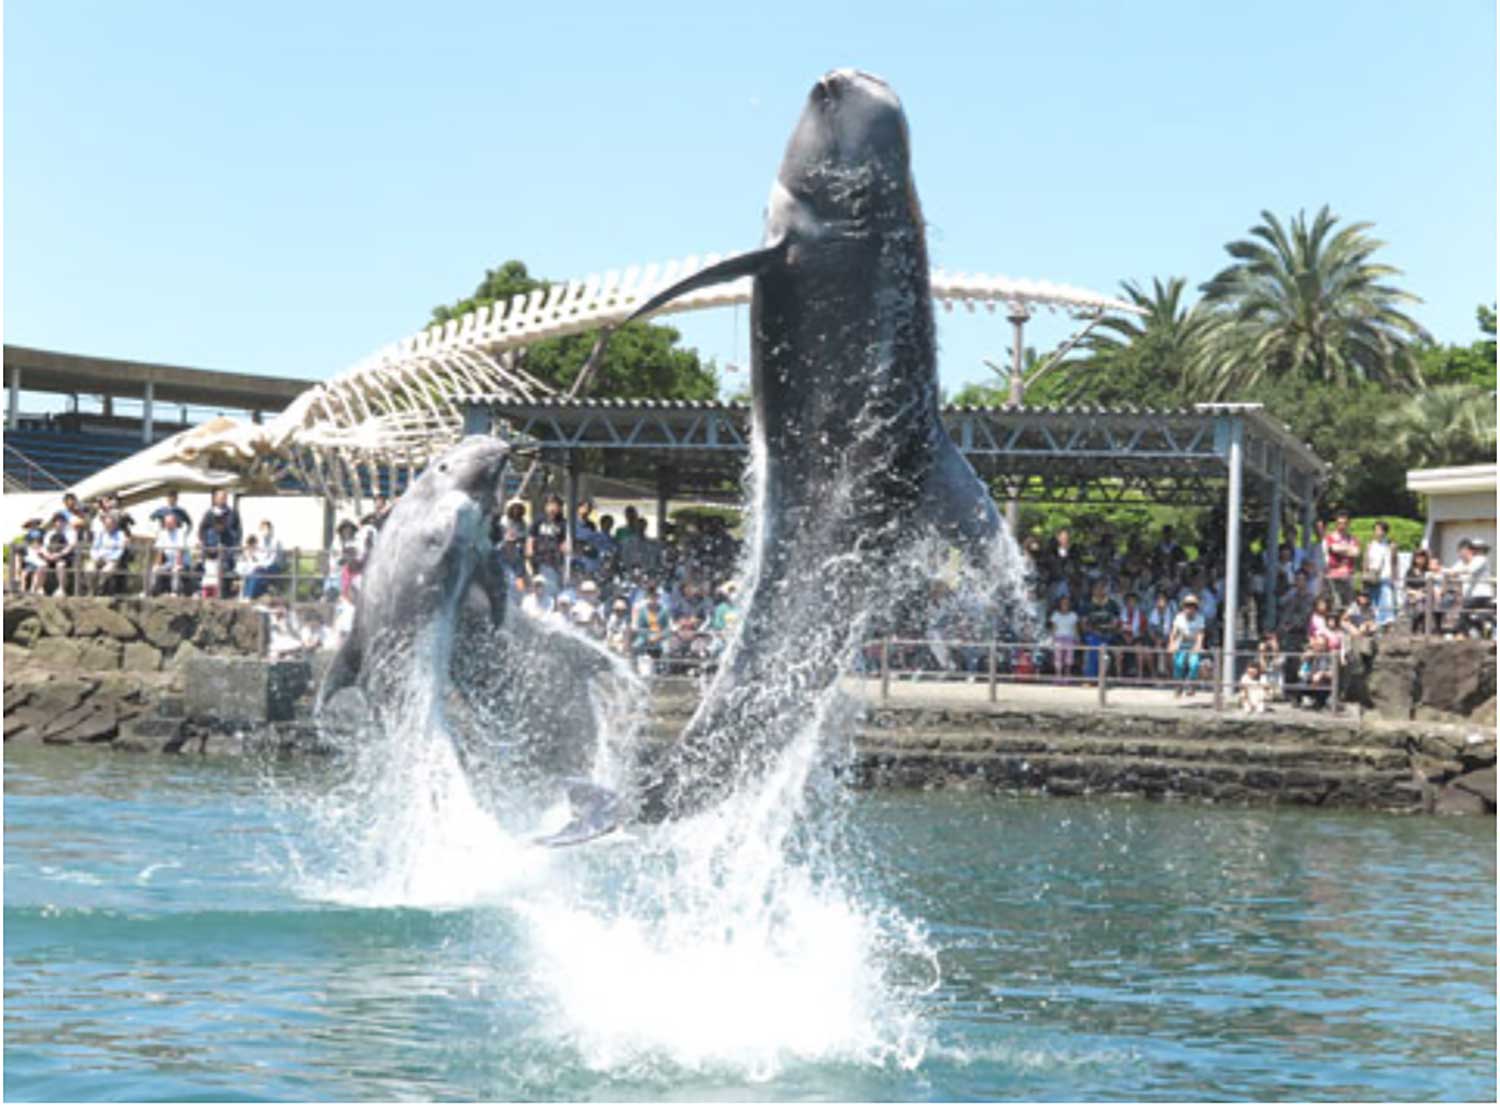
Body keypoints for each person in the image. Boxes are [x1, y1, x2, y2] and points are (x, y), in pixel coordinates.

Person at [1452, 538, 1495, 637]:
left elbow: (1469, 570)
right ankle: (1480, 633)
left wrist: (1454, 572)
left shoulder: (1481, 559)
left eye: (1480, 549)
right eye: (1475, 548)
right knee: (1479, 617)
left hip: (1481, 594)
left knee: (1466, 614)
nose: (1477, 551)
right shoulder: (1463, 561)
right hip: (1470, 595)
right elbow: (1453, 571)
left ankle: (1471, 634)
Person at [199, 490, 244, 585]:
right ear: (215, 499)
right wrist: (205, 544)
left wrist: (236, 544)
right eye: (219, 498)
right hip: (212, 548)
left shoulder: (232, 513)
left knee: (226, 568)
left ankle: (225, 590)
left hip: (227, 546)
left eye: (224, 498)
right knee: (210, 569)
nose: (222, 500)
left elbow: (238, 530)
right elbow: (202, 529)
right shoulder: (209, 513)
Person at [1361, 520, 1399, 628]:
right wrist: (1364, 574)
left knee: (1387, 601)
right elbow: (1366, 561)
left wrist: (1395, 576)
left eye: (1380, 530)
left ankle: (1386, 624)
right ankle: (1378, 624)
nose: (1378, 532)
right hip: (1372, 577)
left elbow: (1395, 562)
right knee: (1375, 601)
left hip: (1386, 576)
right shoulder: (1370, 545)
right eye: (1376, 529)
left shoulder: (1391, 545)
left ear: (1385, 532)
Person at [1168, 593, 1206, 696]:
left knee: (1194, 664)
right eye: (1187, 606)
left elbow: (1200, 633)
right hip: (1181, 643)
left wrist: (1198, 645)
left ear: (1196, 608)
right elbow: (1174, 632)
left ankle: (1191, 685)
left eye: (1192, 606)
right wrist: (1171, 644)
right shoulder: (1179, 617)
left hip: (1193, 644)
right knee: (1178, 664)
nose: (1189, 608)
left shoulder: (1200, 618)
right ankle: (1178, 685)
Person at [527, 495, 568, 591]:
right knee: (538, 581)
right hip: (539, 556)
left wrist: (564, 549)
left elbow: (564, 540)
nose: (552, 508)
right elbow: (531, 535)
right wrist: (529, 549)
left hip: (554, 558)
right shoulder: (539, 519)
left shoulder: (562, 523)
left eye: (555, 505)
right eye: (550, 505)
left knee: (552, 583)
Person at [1321, 511, 1360, 609]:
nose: (1342, 526)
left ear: (1348, 524)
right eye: (1339, 523)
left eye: (1345, 523)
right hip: (1333, 576)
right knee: (1335, 605)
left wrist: (1341, 549)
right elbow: (1333, 548)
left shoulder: (1353, 538)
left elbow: (1356, 553)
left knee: (1349, 606)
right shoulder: (1329, 537)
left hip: (1348, 576)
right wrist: (1348, 548)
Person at [148, 511, 191, 597]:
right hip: (169, 562)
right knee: (155, 569)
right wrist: (157, 565)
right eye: (166, 523)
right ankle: (152, 591)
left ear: (175, 523)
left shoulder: (180, 533)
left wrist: (178, 565)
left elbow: (180, 551)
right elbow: (160, 551)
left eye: (170, 523)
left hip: (182, 562)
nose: (167, 524)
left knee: (176, 570)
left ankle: (175, 592)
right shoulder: (163, 533)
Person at [240, 520, 285, 600]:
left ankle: (250, 596)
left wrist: (263, 566)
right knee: (249, 574)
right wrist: (257, 563)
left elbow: (273, 559)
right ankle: (245, 596)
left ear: (271, 529)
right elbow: (258, 556)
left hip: (273, 567)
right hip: (261, 567)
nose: (265, 531)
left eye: (266, 529)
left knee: (257, 574)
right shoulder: (260, 542)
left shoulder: (276, 542)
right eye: (262, 529)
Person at [1403, 548, 1440, 634]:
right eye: (1418, 557)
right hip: (1412, 595)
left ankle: (1424, 629)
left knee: (1424, 603)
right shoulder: (1410, 572)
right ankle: (1415, 629)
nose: (1420, 560)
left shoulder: (1427, 571)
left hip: (1425, 596)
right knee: (1417, 603)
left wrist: (1423, 593)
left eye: (1422, 557)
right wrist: (1415, 593)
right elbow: (1406, 587)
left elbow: (1430, 585)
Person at [1145, 588, 1177, 680]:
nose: (1160, 602)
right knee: (1149, 651)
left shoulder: (1172, 611)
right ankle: (1154, 676)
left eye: (1163, 599)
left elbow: (1174, 628)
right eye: (1158, 599)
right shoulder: (1151, 611)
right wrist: (1156, 639)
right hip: (1154, 638)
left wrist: (1166, 639)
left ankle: (1170, 676)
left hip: (1169, 638)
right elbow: (1150, 629)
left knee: (1170, 652)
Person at [1047, 595, 1079, 680]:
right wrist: (1052, 640)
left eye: (1067, 603)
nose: (1065, 604)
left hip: (1069, 638)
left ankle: (1067, 675)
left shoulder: (1073, 615)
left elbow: (1075, 629)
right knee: (1058, 658)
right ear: (1060, 604)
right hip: (1058, 638)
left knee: (1069, 658)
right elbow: (1053, 629)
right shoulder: (1056, 615)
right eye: (1063, 603)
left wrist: (1077, 639)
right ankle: (1058, 675)